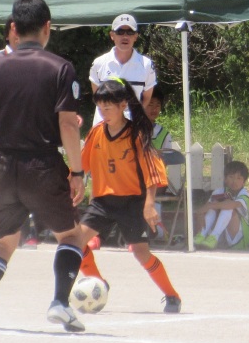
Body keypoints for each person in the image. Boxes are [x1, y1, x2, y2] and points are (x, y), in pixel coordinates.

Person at [0, 0, 88, 332]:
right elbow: (68, 124)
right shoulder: (60, 68)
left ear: (14, 28)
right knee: (71, 236)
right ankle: (60, 303)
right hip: (42, 164)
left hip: (2, 166)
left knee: (3, 242)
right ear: (48, 27)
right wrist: (77, 171)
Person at [74, 78, 181, 313]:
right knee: (75, 244)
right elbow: (80, 166)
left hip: (132, 202)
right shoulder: (96, 133)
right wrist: (73, 182)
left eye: (108, 107)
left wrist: (149, 204)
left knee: (141, 254)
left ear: (123, 105)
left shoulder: (137, 134)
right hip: (102, 202)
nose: (103, 112)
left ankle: (172, 295)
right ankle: (99, 285)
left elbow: (152, 171)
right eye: (100, 107)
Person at [88, 14, 156, 124]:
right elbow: (97, 97)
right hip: (103, 125)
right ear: (112, 35)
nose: (125, 36)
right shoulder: (98, 63)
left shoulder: (147, 65)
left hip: (132, 126)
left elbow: (147, 97)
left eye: (130, 32)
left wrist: (136, 116)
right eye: (120, 32)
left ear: (136, 36)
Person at [194, 161, 249, 250]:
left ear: (244, 182)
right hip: (224, 236)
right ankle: (202, 235)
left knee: (227, 205)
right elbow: (203, 210)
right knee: (213, 206)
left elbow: (233, 204)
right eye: (231, 177)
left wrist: (211, 206)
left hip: (240, 237)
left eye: (239, 178)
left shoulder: (244, 194)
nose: (234, 181)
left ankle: (214, 237)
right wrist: (201, 213)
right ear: (225, 179)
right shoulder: (219, 191)